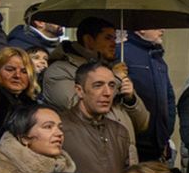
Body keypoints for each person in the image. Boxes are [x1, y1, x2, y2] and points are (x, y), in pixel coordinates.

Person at [42, 17, 150, 146]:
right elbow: (77, 106)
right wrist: (115, 80)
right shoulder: (59, 70)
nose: (113, 44)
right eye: (108, 38)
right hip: (91, 147)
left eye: (115, 39)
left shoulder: (111, 69)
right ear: (89, 40)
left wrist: (130, 100)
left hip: (123, 149)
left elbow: (142, 123)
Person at [59, 61, 136, 173]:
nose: (107, 93)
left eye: (112, 85)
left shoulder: (119, 131)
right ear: (79, 90)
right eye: (98, 85)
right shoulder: (60, 129)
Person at [123, 29, 176, 163]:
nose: (162, 30)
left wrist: (165, 132)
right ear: (142, 30)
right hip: (136, 141)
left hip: (158, 142)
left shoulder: (158, 59)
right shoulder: (122, 53)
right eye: (156, 26)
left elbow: (169, 98)